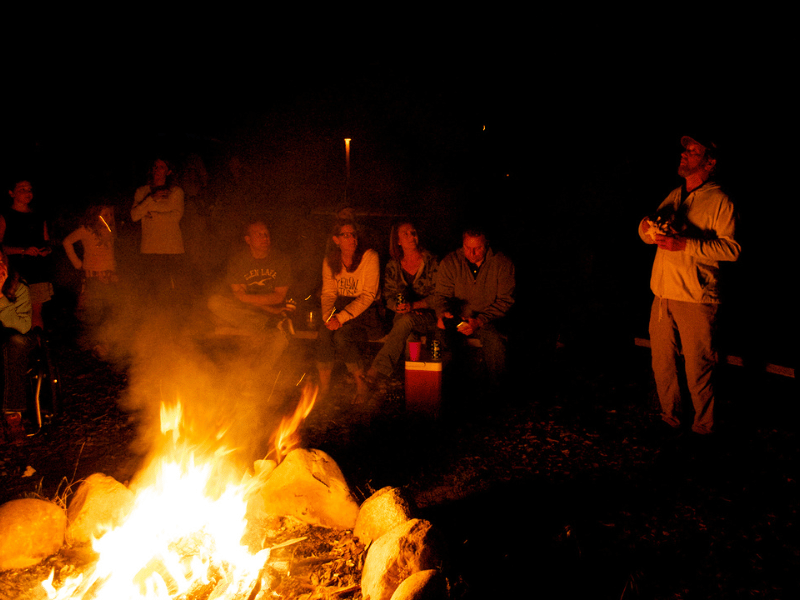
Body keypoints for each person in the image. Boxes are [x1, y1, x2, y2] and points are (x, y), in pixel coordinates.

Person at [638, 135, 740, 437]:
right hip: (662, 294)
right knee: (663, 364)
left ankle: (704, 429)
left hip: (696, 296)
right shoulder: (675, 195)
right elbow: (649, 235)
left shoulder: (720, 200)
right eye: (685, 150)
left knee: (699, 368)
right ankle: (669, 419)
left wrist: (686, 243)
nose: (684, 154)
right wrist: (646, 226)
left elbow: (731, 249)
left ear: (710, 162)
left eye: (693, 151)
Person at [431, 227, 515, 388]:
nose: (472, 252)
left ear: (487, 244)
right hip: (457, 317)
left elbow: (505, 300)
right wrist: (443, 314)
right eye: (467, 248)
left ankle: (498, 392)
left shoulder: (502, 263)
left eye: (478, 248)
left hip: (487, 319)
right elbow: (441, 295)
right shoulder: (451, 262)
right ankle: (444, 390)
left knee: (495, 342)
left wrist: (480, 320)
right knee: (440, 338)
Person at [207, 219, 293, 367]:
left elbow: (278, 297)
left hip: (268, 313)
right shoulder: (238, 260)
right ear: (248, 240)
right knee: (214, 302)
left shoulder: (281, 260)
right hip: (255, 313)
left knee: (279, 340)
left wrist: (250, 300)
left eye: (266, 234)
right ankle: (265, 326)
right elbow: (238, 298)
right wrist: (268, 307)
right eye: (258, 234)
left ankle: (255, 380)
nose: (265, 238)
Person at [366, 220, 439, 382]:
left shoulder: (432, 262)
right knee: (410, 339)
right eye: (405, 234)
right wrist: (397, 306)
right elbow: (389, 296)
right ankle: (414, 385)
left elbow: (440, 296)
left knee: (406, 321)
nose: (411, 237)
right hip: (404, 318)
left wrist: (414, 306)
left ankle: (376, 370)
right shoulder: (393, 266)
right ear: (397, 241)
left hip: (430, 317)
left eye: (413, 232)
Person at [317, 219, 380, 403]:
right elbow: (328, 292)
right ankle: (324, 387)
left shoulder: (369, 257)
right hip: (339, 307)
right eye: (346, 235)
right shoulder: (330, 260)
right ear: (336, 240)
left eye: (353, 234)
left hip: (365, 311)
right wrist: (328, 316)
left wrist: (341, 317)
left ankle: (361, 385)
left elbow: (368, 295)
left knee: (341, 336)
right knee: (323, 333)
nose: (351, 238)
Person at [62, 205, 118, 349]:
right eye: (105, 215)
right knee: (93, 311)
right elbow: (67, 242)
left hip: (109, 278)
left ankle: (106, 342)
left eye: (110, 214)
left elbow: (110, 254)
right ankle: (91, 343)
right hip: (93, 278)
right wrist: (77, 263)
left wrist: (114, 272)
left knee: (109, 310)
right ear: (95, 215)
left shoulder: (110, 231)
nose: (109, 218)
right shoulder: (86, 230)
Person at [1, 179, 53, 330]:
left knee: (36, 311)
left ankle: (37, 347)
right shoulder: (5, 216)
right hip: (13, 272)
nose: (28, 193)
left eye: (29, 189)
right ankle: (15, 348)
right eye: (22, 189)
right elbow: (0, 247)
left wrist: (46, 251)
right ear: (11, 193)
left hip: (37, 271)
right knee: (15, 311)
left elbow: (46, 241)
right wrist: (23, 250)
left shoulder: (38, 216)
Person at [130, 158, 185, 300]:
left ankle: (176, 318)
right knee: (152, 289)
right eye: (155, 166)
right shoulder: (142, 191)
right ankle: (154, 319)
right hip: (150, 248)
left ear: (169, 171)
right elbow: (135, 215)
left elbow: (175, 217)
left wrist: (150, 213)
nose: (157, 170)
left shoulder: (176, 192)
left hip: (172, 248)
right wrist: (150, 199)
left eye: (161, 167)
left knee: (173, 289)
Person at [0, 248, 34, 444]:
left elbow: (23, 326)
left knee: (14, 343)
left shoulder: (19, 288)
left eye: (0, 262)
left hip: (14, 341)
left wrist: (1, 299)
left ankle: (13, 416)